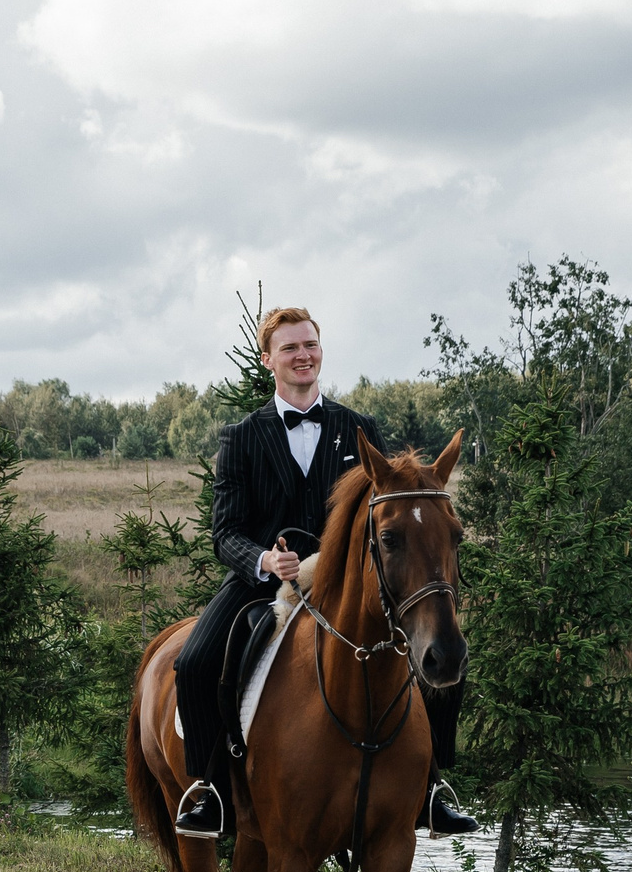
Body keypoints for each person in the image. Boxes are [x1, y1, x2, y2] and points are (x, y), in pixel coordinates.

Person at [171, 306, 477, 842]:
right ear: (268, 359)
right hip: (266, 580)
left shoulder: (359, 427)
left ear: (320, 351)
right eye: (289, 348)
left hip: (346, 580)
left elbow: (388, 512)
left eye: (310, 345)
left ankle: (431, 788)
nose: (302, 355)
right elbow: (224, 531)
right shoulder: (240, 437)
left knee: (440, 648)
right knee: (195, 662)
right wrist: (264, 559)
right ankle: (211, 791)